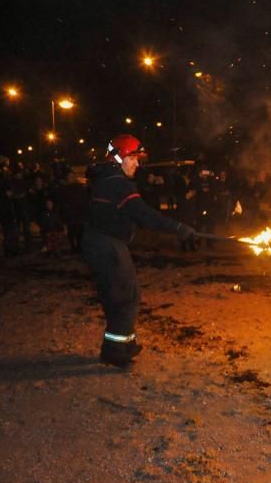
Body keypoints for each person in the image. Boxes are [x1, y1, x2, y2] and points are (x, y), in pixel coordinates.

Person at [82, 134, 196, 367]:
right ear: (119, 158)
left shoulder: (108, 179)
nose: (137, 164)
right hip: (107, 245)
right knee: (125, 298)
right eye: (133, 158)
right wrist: (177, 227)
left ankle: (124, 345)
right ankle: (115, 352)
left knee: (122, 295)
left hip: (103, 243)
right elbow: (143, 214)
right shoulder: (116, 183)